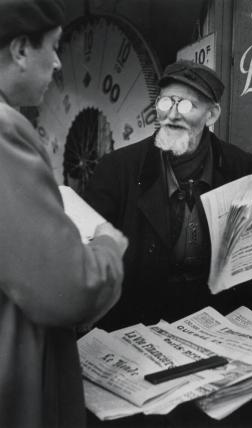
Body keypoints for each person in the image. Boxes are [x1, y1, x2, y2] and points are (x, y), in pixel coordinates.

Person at [84, 59, 252, 333]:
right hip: (137, 322)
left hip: (214, 321)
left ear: (212, 114)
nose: (172, 115)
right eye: (166, 103)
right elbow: (88, 250)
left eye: (187, 105)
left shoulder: (240, 165)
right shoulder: (118, 168)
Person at [0, 1, 127, 428]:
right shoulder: (5, 132)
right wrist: (109, 244)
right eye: (52, 48)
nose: (57, 63)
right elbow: (69, 290)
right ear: (20, 49)